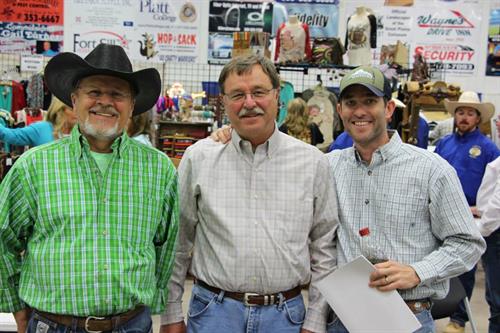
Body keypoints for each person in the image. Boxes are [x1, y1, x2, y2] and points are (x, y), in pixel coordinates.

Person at [0, 44, 179, 333]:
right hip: (53, 324)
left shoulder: (159, 170)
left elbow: (166, 245)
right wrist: (16, 306)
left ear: (132, 105)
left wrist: (154, 302)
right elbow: (3, 237)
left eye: (117, 94)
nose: (104, 102)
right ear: (74, 100)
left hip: (131, 324)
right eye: (94, 92)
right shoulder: (34, 167)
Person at [160, 54, 339, 333]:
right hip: (213, 315)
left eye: (258, 92)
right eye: (237, 95)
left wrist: (315, 321)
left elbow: (324, 248)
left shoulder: (313, 163)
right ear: (224, 102)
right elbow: (178, 242)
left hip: (286, 317)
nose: (249, 103)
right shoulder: (199, 159)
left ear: (277, 96)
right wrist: (171, 314)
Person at [326, 66, 485, 333]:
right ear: (340, 110)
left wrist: (417, 271)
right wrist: (229, 137)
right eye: (351, 103)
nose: (359, 111)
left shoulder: (431, 170)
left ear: (388, 108)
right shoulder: (327, 167)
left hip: (407, 318)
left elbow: (467, 243)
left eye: (369, 101)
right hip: (345, 318)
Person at [435, 91, 500, 333]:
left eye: (469, 113)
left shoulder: (488, 148)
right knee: (441, 266)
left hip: (473, 217)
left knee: (466, 268)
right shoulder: (444, 144)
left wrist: (481, 209)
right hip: (442, 213)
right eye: (460, 112)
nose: (464, 117)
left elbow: (496, 186)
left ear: (477, 118)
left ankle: (459, 319)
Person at [0, 97, 76, 147]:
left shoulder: (81, 131)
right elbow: (10, 135)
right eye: (72, 109)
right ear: (59, 110)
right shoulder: (42, 129)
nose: (77, 112)